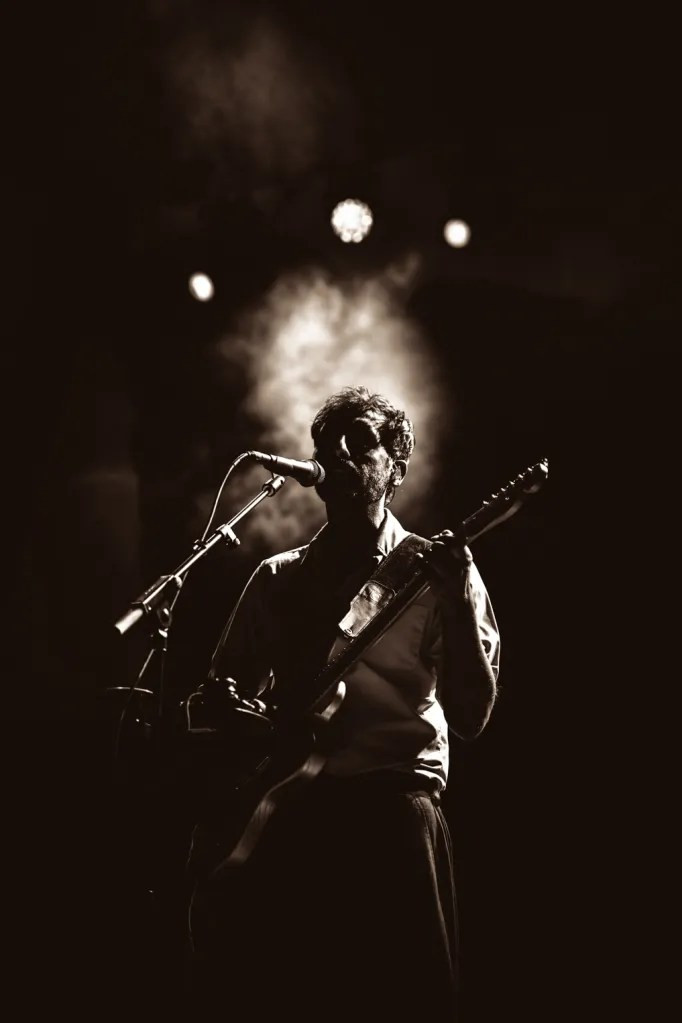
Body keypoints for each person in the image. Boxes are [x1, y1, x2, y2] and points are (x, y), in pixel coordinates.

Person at [184, 385, 500, 1021]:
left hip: (396, 813)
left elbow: (472, 716)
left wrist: (462, 603)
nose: (341, 454)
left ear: (397, 466)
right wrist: (233, 717)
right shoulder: (278, 577)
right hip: (294, 815)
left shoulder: (437, 571)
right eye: (329, 445)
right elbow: (215, 702)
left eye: (362, 442)